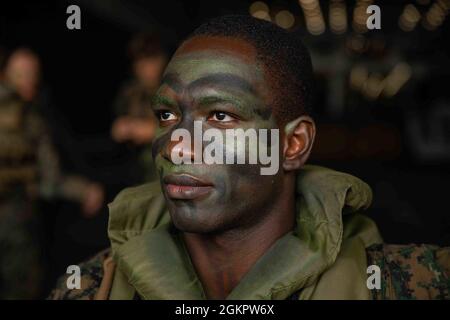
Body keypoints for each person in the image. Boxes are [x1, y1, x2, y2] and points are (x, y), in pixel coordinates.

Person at [49, 15, 450, 300]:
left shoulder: (413, 282)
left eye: (220, 116)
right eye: (167, 116)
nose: (176, 145)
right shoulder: (90, 286)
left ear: (293, 145)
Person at [3, 48, 104, 216]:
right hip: (14, 215)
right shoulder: (30, 119)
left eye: (33, 74)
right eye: (25, 74)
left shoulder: (33, 115)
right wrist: (84, 191)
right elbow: (50, 179)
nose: (31, 80)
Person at [111, 33, 167, 184]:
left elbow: (189, 129)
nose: (144, 69)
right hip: (134, 169)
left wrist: (151, 131)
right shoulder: (130, 92)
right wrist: (123, 127)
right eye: (139, 62)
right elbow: (117, 124)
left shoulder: (173, 90)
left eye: (150, 61)